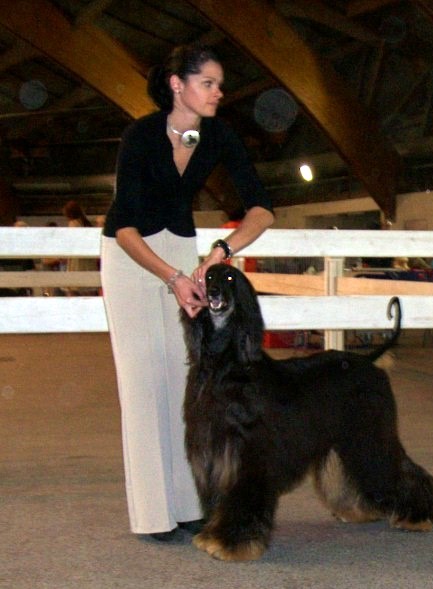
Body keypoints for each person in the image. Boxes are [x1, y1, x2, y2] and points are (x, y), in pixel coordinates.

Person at [100, 43, 274, 542]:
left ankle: (190, 504)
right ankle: (153, 515)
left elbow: (261, 209)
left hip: (180, 247)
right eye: (208, 83)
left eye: (220, 85)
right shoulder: (140, 136)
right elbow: (124, 226)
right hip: (131, 256)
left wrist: (222, 250)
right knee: (142, 385)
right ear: (178, 85)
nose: (218, 93)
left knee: (185, 382)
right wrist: (172, 278)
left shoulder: (217, 135)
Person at [62, 200, 99, 295]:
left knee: (75, 290)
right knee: (89, 292)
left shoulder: (73, 224)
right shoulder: (87, 224)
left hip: (77, 263)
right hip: (89, 263)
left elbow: (70, 244)